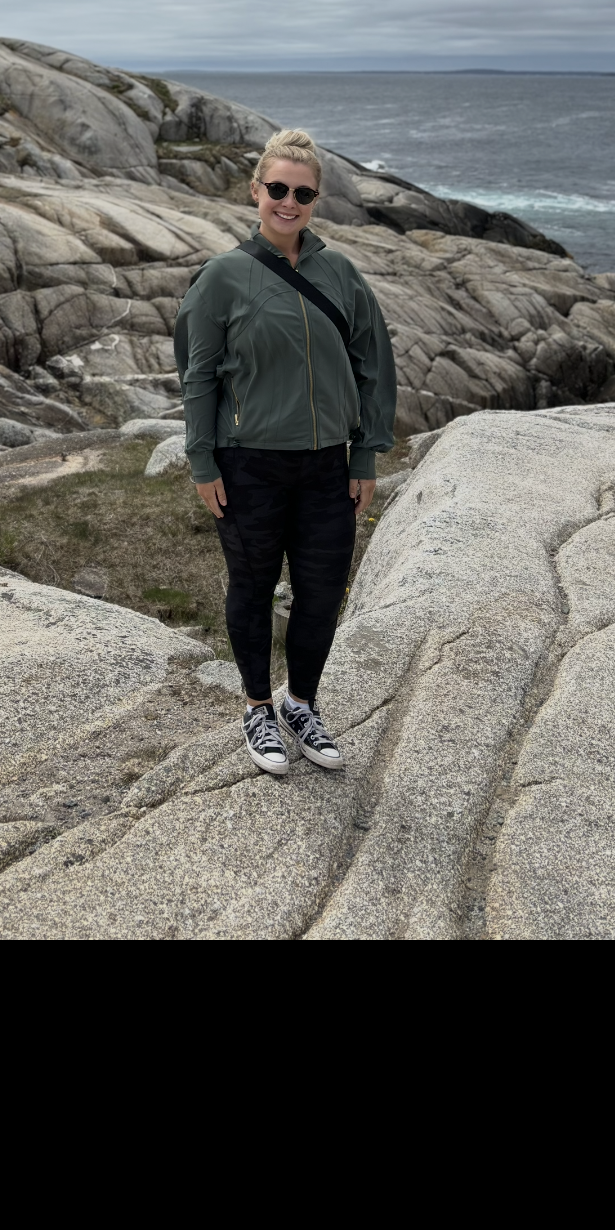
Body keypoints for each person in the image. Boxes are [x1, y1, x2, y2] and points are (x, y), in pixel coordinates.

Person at [174, 128, 396, 776]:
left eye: (302, 192)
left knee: (321, 594)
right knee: (252, 588)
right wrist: (202, 460)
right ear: (256, 192)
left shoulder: (341, 274)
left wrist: (365, 455)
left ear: (316, 198)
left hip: (328, 466)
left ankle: (300, 705)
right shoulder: (222, 277)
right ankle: (256, 708)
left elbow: (374, 367)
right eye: (277, 189)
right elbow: (198, 376)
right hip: (249, 466)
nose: (288, 201)